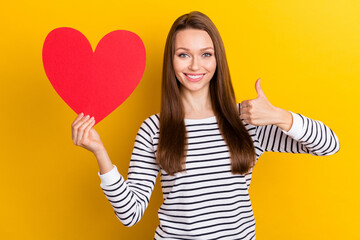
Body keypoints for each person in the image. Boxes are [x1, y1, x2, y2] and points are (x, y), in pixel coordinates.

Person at [71, 11, 340, 240]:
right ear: (171, 61)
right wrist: (99, 152)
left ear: (217, 59)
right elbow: (131, 214)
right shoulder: (155, 129)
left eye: (206, 54)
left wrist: (280, 116)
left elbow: (329, 145)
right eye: (184, 55)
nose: (196, 65)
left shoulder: (247, 120)